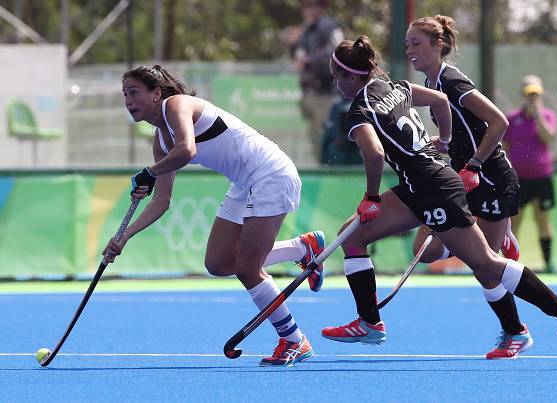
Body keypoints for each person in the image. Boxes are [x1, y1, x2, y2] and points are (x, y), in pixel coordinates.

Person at [320, 36, 557, 362]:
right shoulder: (396, 86)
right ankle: (369, 322)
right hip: (418, 185)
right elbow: (439, 101)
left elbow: (375, 153)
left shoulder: (360, 110)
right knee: (352, 237)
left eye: (338, 76)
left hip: (433, 188)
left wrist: (372, 196)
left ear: (352, 76)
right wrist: (444, 140)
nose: (336, 84)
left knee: (487, 265)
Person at [102, 64, 327, 367]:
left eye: (134, 93)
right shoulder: (160, 140)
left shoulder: (176, 105)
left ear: (157, 93)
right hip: (244, 182)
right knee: (219, 263)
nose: (128, 101)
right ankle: (303, 248)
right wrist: (123, 237)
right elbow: (161, 202)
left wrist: (149, 172)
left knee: (249, 269)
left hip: (270, 174)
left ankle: (294, 340)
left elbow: (187, 151)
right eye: (124, 95)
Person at [404, 15, 527, 358]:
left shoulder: (453, 83)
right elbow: (459, 135)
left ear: (437, 46)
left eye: (417, 43)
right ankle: (495, 236)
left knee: (485, 268)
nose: (410, 50)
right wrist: (432, 143)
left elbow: (498, 122)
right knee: (425, 249)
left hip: (490, 181)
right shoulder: (434, 86)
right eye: (407, 44)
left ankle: (515, 333)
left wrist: (473, 165)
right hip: (464, 181)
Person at [503, 75, 557, 273]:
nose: (532, 97)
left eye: (535, 94)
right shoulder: (512, 118)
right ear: (523, 94)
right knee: (514, 220)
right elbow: (505, 146)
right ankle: (511, 265)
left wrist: (538, 115)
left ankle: (548, 263)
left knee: (543, 219)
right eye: (529, 94)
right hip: (518, 178)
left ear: (540, 94)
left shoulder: (548, 116)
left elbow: (549, 137)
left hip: (542, 177)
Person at [283, 0, 344, 162]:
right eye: (305, 6)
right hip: (310, 92)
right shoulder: (304, 29)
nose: (308, 9)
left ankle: (331, 173)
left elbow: (338, 53)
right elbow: (297, 56)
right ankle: (323, 171)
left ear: (322, 7)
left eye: (313, 5)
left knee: (327, 137)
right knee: (315, 139)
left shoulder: (330, 27)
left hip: (326, 93)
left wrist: (310, 60)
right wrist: (291, 43)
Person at [320, 95, 363, 165]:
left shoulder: (360, 104)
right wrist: (337, 137)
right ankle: (324, 163)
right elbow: (331, 123)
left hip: (356, 144)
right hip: (339, 142)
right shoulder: (336, 105)